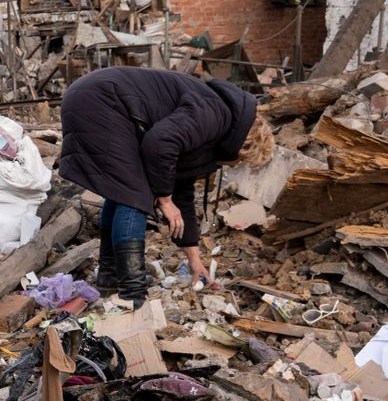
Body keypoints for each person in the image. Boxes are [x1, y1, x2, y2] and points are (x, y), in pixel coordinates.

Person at [58, 66, 274, 305]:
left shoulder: (217, 125)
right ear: (243, 145)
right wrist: (164, 199)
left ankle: (111, 278)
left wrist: (194, 259)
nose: (235, 166)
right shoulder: (215, 114)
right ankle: (132, 294)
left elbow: (182, 189)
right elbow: (160, 142)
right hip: (103, 101)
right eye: (241, 161)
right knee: (135, 195)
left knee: (123, 191)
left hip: (93, 97)